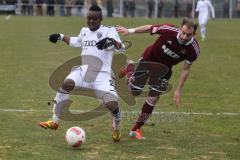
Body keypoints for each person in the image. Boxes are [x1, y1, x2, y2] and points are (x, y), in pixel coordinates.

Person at [39, 5, 125, 142]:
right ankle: (54, 121)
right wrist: (60, 36)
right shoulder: (84, 31)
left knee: (112, 105)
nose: (91, 21)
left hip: (102, 75)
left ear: (101, 19)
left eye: (94, 19)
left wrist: (113, 42)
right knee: (66, 84)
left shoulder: (109, 31)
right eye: (89, 18)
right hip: (84, 70)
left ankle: (116, 125)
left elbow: (121, 47)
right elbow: (76, 41)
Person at [116, 18, 200, 140]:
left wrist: (178, 90)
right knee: (135, 91)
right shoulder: (168, 30)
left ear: (194, 34)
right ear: (180, 28)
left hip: (164, 70)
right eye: (183, 32)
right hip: (148, 59)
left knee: (153, 98)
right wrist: (129, 31)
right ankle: (130, 68)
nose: (184, 36)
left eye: (188, 35)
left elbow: (186, 69)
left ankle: (136, 129)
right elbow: (149, 27)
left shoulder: (193, 50)